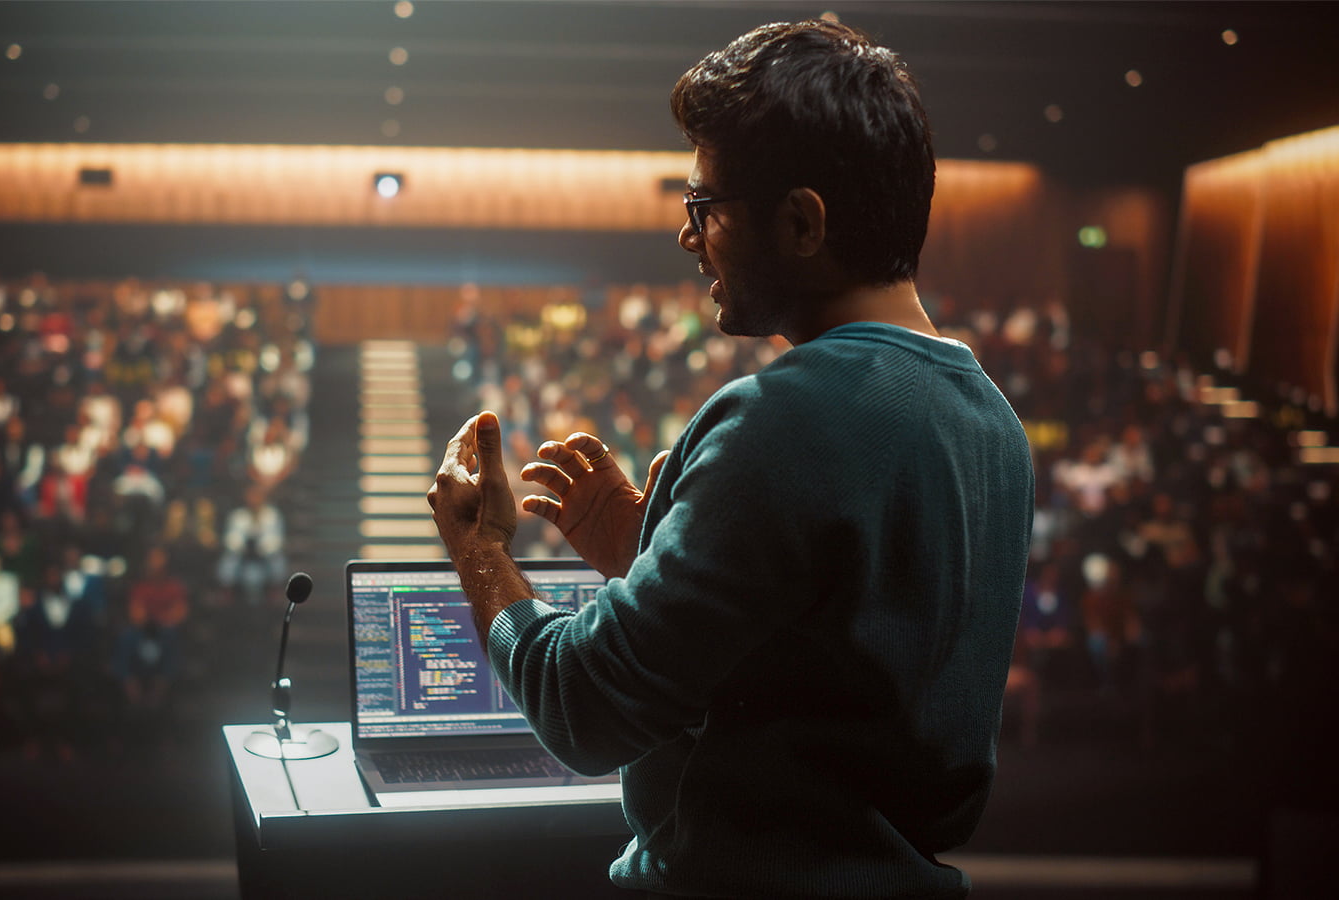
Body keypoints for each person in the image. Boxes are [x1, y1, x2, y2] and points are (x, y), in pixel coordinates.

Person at [428, 21, 1035, 899]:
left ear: (801, 221)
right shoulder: (992, 424)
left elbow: (585, 708)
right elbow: (833, 676)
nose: (688, 238)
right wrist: (650, 559)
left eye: (704, 208)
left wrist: (480, 551)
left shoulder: (785, 415)